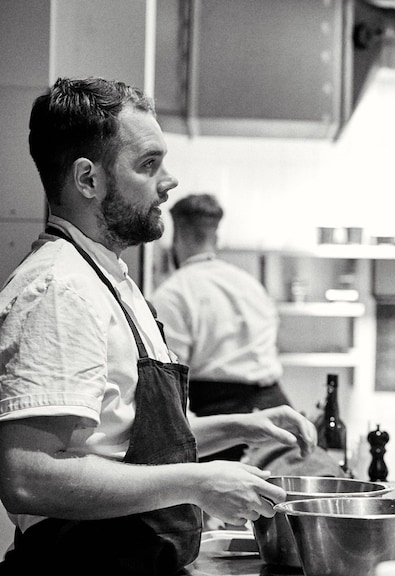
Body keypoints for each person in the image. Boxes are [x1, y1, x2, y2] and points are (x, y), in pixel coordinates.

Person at [0, 77, 317, 575]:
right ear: (88, 180)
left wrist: (241, 424)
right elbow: (28, 476)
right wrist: (196, 482)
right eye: (149, 164)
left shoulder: (109, 280)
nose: (169, 181)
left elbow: (128, 440)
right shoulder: (60, 288)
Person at [151, 193, 290, 463]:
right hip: (276, 411)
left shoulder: (173, 293)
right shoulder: (251, 285)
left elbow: (169, 380)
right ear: (216, 238)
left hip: (220, 422)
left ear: (176, 238)